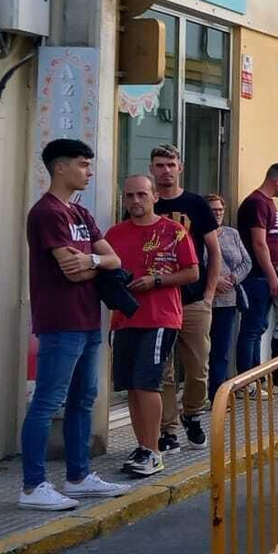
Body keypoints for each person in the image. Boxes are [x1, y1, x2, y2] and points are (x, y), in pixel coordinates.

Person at [19, 139, 128, 510]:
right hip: (59, 321)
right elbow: (68, 266)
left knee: (84, 398)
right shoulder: (47, 213)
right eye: (83, 164)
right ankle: (33, 486)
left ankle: (78, 476)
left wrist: (93, 262)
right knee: (48, 402)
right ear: (60, 167)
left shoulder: (81, 214)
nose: (90, 171)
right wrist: (93, 260)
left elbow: (112, 259)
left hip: (87, 317)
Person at [106, 174, 199, 478]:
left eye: (141, 195)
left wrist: (157, 280)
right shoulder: (114, 234)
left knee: (147, 382)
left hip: (161, 318)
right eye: (129, 195)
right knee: (131, 385)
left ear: (155, 196)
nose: (135, 201)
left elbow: (192, 273)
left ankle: (155, 451)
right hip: (124, 318)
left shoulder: (175, 232)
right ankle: (143, 446)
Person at [149, 144, 220, 451]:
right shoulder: (145, 203)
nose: (166, 170)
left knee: (197, 367)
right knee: (162, 370)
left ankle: (192, 413)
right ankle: (168, 430)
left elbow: (214, 252)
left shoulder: (195, 204)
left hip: (193, 300)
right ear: (152, 169)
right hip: (158, 301)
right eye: (160, 165)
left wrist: (209, 294)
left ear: (180, 167)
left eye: (170, 164)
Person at [236, 162, 278, 375]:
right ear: (277, 180)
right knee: (252, 329)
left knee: (258, 328)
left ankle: (254, 375)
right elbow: (259, 243)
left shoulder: (267, 203)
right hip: (256, 276)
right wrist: (272, 276)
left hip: (265, 275)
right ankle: (247, 379)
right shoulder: (257, 203)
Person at [206, 193, 252, 398]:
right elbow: (195, 264)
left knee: (222, 350)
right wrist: (214, 281)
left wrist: (232, 279)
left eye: (220, 210)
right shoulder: (196, 234)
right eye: (212, 209)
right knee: (201, 350)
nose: (217, 213)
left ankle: (218, 394)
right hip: (204, 299)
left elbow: (247, 262)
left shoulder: (232, 234)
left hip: (228, 300)